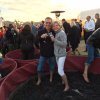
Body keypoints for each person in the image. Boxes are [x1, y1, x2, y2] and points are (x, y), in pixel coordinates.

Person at [51, 21, 69, 91]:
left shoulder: (61, 33)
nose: (55, 27)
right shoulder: (56, 33)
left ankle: (67, 85)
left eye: (56, 25)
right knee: (61, 69)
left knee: (60, 71)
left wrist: (54, 40)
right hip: (57, 54)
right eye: (54, 26)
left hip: (61, 54)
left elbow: (64, 44)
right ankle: (63, 80)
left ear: (60, 26)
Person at [36, 17, 55, 85]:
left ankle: (51, 78)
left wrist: (54, 40)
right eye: (47, 22)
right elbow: (36, 41)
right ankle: (39, 79)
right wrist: (41, 37)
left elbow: (57, 42)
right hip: (43, 53)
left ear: (51, 23)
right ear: (44, 23)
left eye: (49, 23)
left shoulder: (53, 31)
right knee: (39, 68)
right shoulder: (40, 31)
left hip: (52, 53)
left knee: (52, 67)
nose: (48, 24)